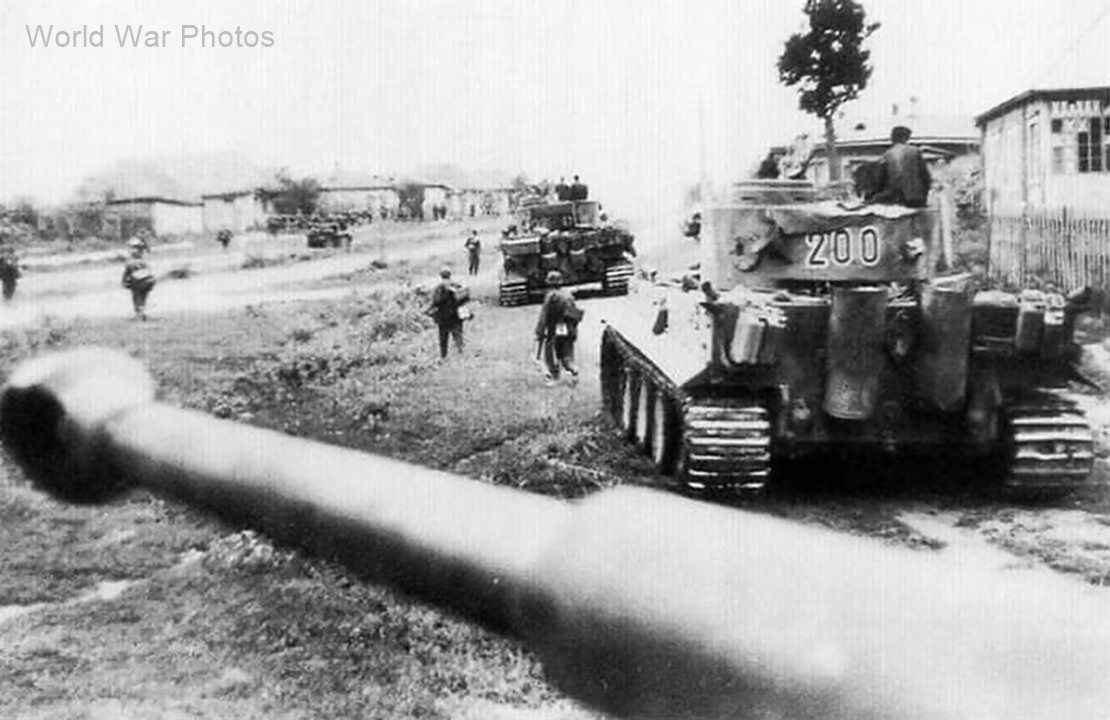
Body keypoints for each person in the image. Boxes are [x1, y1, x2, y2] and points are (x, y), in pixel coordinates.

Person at [535, 271, 583, 385]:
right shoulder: (568, 295)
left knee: (550, 353)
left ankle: (554, 376)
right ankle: (574, 371)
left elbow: (544, 316)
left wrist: (539, 332)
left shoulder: (550, 297)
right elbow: (575, 314)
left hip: (554, 330)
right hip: (569, 329)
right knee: (566, 353)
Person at [870, 125, 932, 208]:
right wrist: (924, 195)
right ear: (906, 138)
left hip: (894, 200)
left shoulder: (887, 155)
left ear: (893, 137)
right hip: (915, 200)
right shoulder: (915, 152)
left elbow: (879, 181)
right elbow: (925, 177)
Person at [427, 267, 466, 359]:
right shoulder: (456, 285)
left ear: (441, 275)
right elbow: (463, 298)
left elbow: (436, 301)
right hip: (455, 315)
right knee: (457, 334)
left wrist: (428, 310)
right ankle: (460, 352)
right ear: (450, 275)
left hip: (443, 316)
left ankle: (443, 355)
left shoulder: (439, 287)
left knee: (443, 337)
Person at [121, 240, 156, 320]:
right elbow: (149, 272)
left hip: (137, 282)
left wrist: (123, 282)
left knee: (136, 297)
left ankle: (138, 314)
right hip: (147, 281)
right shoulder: (144, 260)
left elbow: (127, 272)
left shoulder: (130, 261)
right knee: (143, 296)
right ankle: (141, 312)